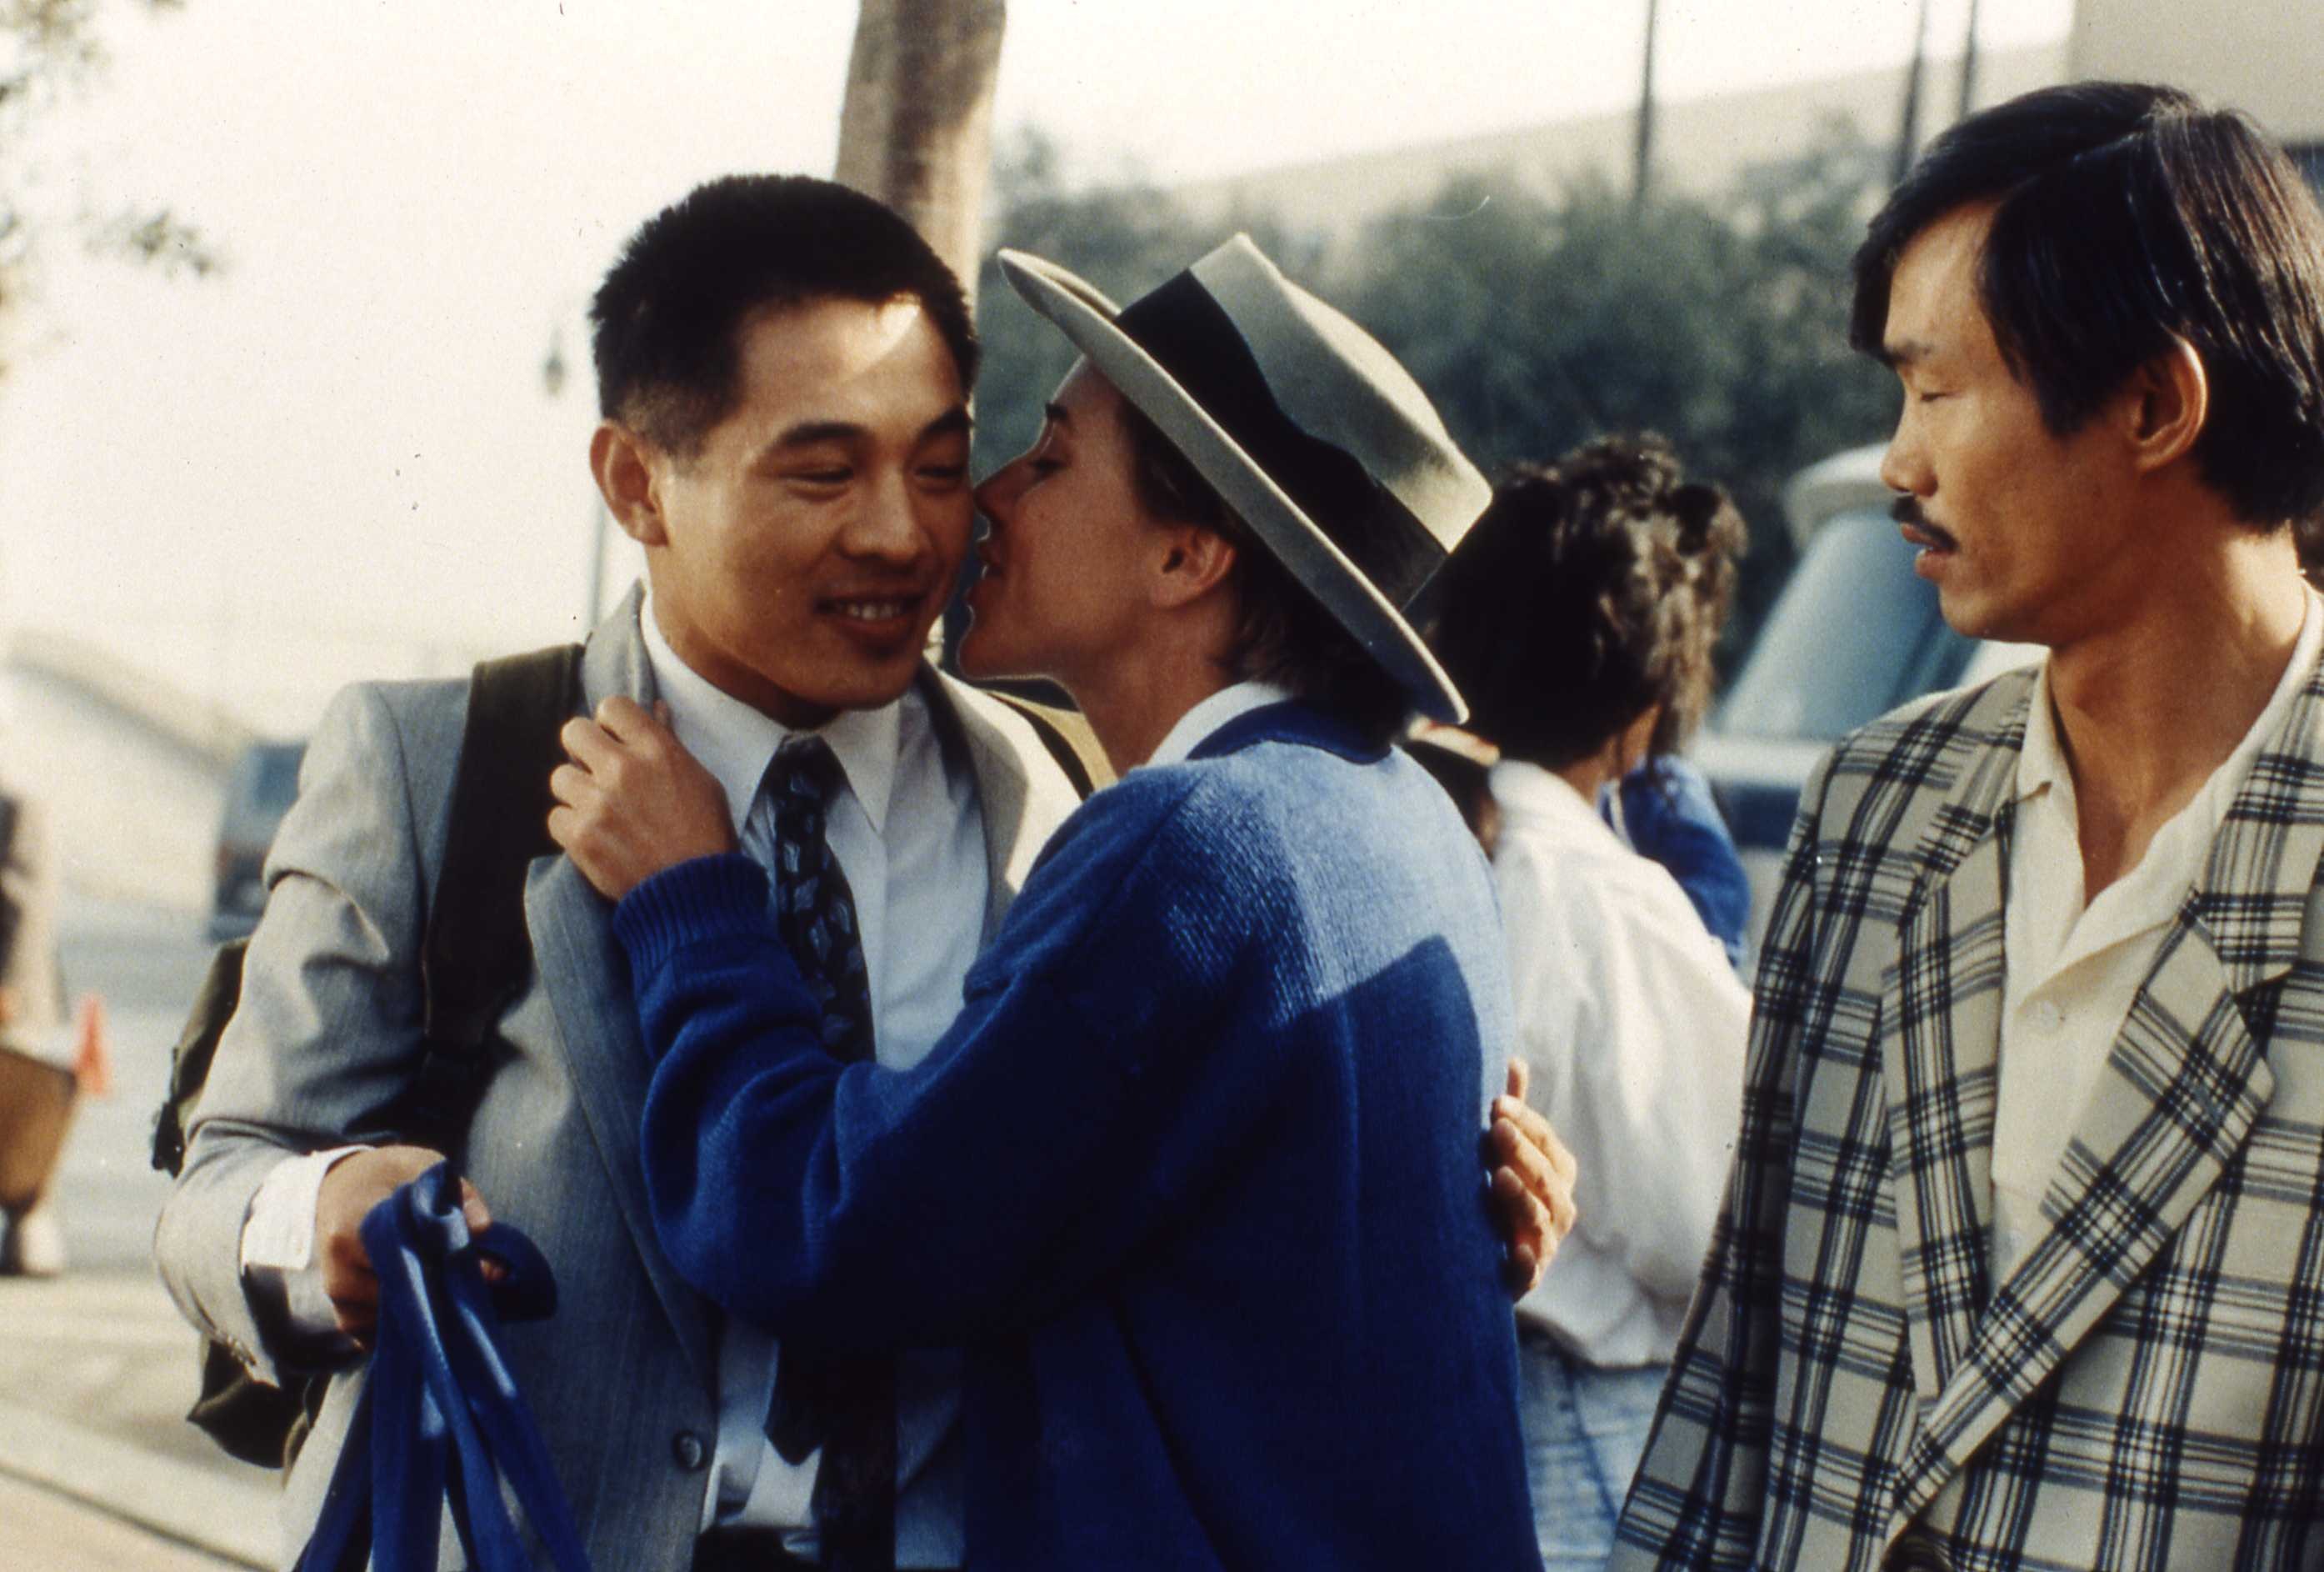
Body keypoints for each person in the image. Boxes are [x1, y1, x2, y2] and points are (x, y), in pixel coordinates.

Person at [154, 179, 1572, 1572]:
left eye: (946, 463)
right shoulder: (444, 761)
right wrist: (317, 1225)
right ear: (637, 483)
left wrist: (1425, 1194)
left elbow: (941, 1216)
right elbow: (226, 1175)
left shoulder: (1068, 798)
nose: (909, 533)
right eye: (824, 472)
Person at [547, 236, 1552, 1569]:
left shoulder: (1193, 842)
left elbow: (841, 1233)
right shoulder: (1405, 813)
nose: (990, 497)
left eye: (1052, 455)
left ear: (1187, 555)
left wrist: (690, 901)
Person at [1614, 82, 2324, 1569]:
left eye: (1935, 393)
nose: (1897, 459)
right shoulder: (1880, 808)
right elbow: (1736, 1388)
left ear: (2154, 404)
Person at [1427, 436, 1752, 1569]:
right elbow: (1709, 1221)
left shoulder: (1440, 846)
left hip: (1468, 1408)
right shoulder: (1604, 896)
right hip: (1588, 1427)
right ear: (1647, 699)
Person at [0, 784, 71, 1276]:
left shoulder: (17, 805)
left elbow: (25, 905)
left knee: (21, 1123)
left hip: (14, 1003)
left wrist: (7, 985)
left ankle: (29, 1237)